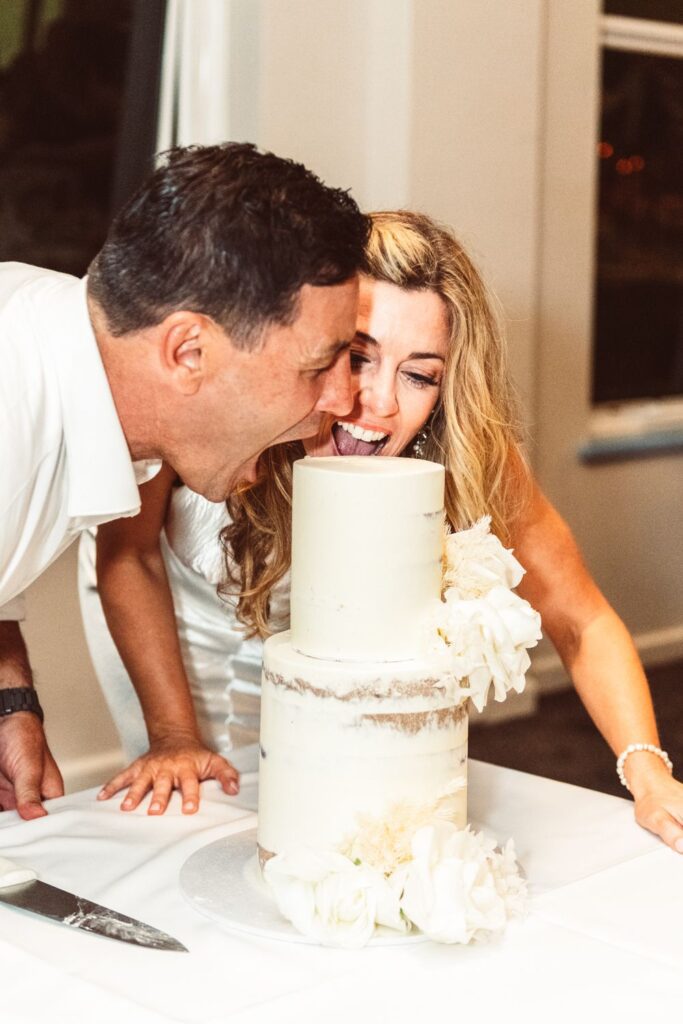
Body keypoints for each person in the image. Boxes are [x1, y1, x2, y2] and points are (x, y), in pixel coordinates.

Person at [85, 211, 683, 852]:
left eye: (419, 374)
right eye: (358, 356)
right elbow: (128, 554)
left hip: (332, 678)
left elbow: (581, 618)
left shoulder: (471, 455)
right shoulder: (222, 401)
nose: (381, 403)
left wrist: (650, 776)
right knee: (182, 827)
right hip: (172, 637)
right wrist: (173, 733)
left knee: (324, 837)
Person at [0, 142, 370, 820]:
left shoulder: (63, 343)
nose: (344, 399)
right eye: (318, 367)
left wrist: (8, 698)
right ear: (187, 351)